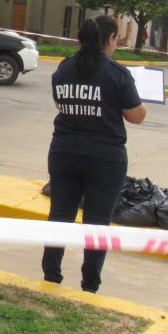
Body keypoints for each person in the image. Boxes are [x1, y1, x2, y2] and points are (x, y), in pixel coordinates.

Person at [42, 15, 147, 293]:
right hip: (105, 159)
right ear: (110, 39)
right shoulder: (117, 74)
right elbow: (137, 116)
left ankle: (51, 276)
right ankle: (89, 285)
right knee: (97, 222)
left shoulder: (63, 69)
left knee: (59, 215)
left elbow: (59, 103)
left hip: (64, 152)